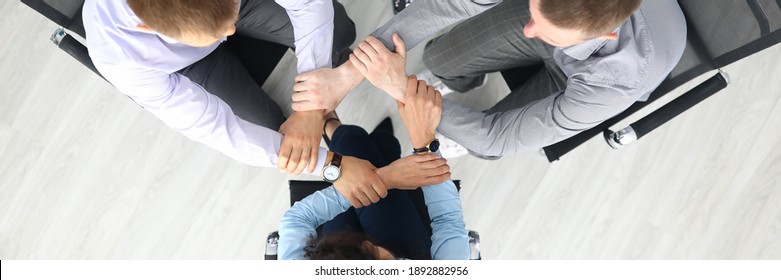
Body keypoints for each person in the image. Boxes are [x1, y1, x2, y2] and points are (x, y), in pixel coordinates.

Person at [82, 0, 386, 206]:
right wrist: (331, 164)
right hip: (187, 65)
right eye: (218, 30)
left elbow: (308, 3)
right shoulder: (118, 57)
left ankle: (324, 116)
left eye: (228, 24)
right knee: (277, 138)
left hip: (245, 5)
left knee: (340, 31)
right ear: (149, 27)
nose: (230, 32)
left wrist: (310, 107)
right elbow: (217, 129)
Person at [292, 0, 687, 158]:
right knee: (442, 57)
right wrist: (349, 73)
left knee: (484, 147)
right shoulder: (545, 19)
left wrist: (402, 89)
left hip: (580, 85)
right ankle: (455, 84)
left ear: (604, 36)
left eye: (544, 30)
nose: (530, 30)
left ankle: (435, 107)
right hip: (578, 33)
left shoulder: (616, 83)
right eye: (534, 12)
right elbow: (453, 4)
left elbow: (497, 136)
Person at [278, 77, 470, 260]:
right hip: (410, 248)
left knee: (361, 146)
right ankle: (334, 127)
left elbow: (297, 219)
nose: (369, 242)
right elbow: (447, 220)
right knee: (377, 146)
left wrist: (385, 177)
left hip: (333, 247)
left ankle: (332, 126)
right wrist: (424, 141)